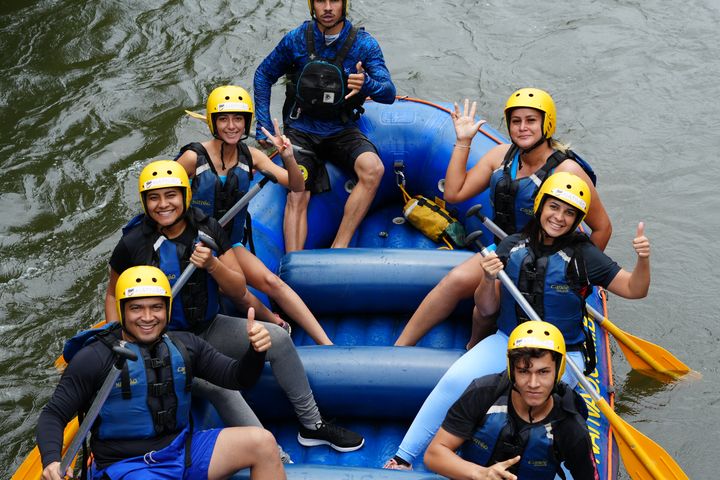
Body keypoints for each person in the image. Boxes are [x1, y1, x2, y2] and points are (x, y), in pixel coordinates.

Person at [384, 172, 650, 470]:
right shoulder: (511, 246)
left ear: (577, 219)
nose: (559, 217)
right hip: (508, 339)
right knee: (455, 381)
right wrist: (488, 279)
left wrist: (642, 260)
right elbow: (486, 309)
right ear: (540, 205)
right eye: (554, 207)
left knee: (542, 410)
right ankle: (403, 457)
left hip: (562, 352)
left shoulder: (585, 256)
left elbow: (634, 289)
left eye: (569, 212)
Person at [104, 160, 364, 454]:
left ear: (185, 195)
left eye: (170, 195)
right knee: (220, 386)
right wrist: (116, 338)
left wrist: (212, 264)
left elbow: (238, 288)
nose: (163, 204)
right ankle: (273, 455)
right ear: (145, 202)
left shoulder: (207, 229)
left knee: (278, 338)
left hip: (210, 327)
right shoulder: (132, 244)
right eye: (154, 197)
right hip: (165, 343)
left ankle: (312, 424)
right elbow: (113, 294)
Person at [394, 88, 613, 349]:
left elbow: (602, 227)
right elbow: (453, 193)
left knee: (485, 309)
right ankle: (400, 347)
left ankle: (473, 347)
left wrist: (574, 275)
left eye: (531, 120)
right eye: (516, 121)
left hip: (546, 261)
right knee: (454, 281)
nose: (522, 127)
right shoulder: (501, 156)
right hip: (504, 250)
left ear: (547, 124)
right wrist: (463, 141)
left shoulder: (567, 170)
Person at [38, 266, 285, 480]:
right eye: (136, 308)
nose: (147, 317)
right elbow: (54, 414)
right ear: (122, 311)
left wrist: (255, 352)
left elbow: (237, 377)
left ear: (167, 309)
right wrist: (51, 460)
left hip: (182, 451)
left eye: (156, 307)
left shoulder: (185, 345)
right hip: (127, 466)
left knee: (263, 443)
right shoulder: (94, 358)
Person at [176, 84, 332, 345]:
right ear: (213, 122)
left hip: (228, 242)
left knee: (272, 282)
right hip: (195, 244)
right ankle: (276, 322)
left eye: (238, 119)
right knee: (234, 290)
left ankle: (326, 343)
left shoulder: (252, 156)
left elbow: (296, 185)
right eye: (224, 119)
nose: (232, 126)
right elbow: (164, 197)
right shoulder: (192, 158)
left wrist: (288, 157)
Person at [253, 0, 396, 251]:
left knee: (373, 169)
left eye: (334, 1)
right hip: (301, 128)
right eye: (321, 0)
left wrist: (367, 84)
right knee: (298, 189)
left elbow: (389, 93)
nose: (328, 7)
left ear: (344, 4)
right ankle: (293, 262)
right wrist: (262, 120)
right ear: (312, 5)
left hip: (341, 128)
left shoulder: (364, 44)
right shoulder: (296, 39)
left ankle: (339, 247)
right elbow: (263, 74)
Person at [424, 321, 599, 480]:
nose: (533, 384)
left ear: (558, 371)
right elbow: (434, 455)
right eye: (523, 371)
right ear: (512, 370)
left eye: (543, 372)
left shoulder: (571, 426)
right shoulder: (483, 393)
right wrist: (481, 474)